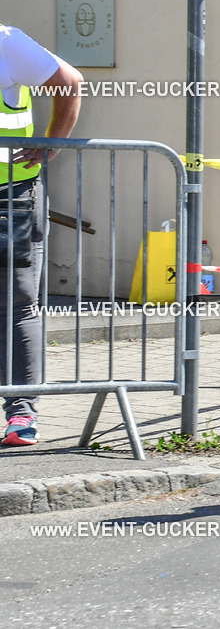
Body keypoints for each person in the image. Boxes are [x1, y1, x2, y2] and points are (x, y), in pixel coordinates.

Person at [1, 24, 83, 446]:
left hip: (9, 195)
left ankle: (21, 414)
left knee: (16, 303)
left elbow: (69, 82)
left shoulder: (6, 41)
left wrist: (53, 142)